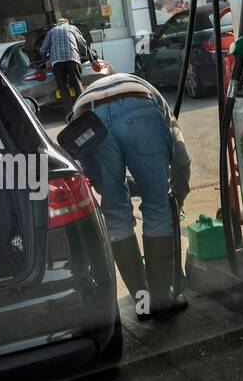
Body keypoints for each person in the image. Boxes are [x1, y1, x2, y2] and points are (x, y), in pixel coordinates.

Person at [67, 72, 191, 320]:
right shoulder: (147, 89)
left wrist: (117, 189)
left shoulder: (82, 98)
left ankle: (143, 304)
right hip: (139, 107)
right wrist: (179, 193)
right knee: (157, 207)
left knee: (115, 216)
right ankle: (162, 302)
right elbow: (181, 155)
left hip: (88, 118)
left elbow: (98, 179)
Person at [38, 16, 89, 118]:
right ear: (67, 23)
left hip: (57, 62)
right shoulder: (72, 28)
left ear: (58, 24)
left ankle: (69, 115)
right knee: (77, 85)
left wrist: (46, 58)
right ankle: (83, 112)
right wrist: (84, 54)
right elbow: (83, 45)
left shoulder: (52, 31)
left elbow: (42, 50)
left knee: (63, 88)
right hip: (72, 59)